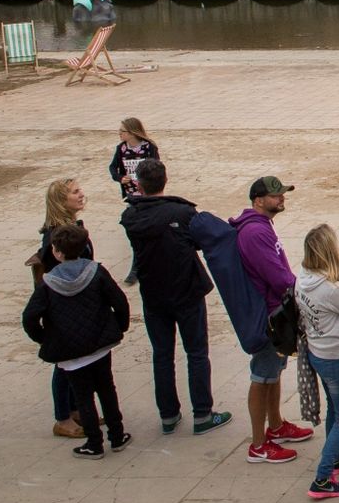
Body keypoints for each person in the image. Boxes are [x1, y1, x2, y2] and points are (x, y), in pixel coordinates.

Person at [119, 160, 230, 437]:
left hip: (154, 294)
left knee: (162, 355)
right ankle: (202, 413)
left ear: (140, 184)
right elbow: (202, 241)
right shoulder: (183, 212)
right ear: (165, 180)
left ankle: (168, 414)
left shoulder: (131, 217)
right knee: (196, 353)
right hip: (186, 291)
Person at [22, 224, 131, 458]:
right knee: (107, 389)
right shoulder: (96, 271)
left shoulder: (48, 283)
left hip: (69, 352)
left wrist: (45, 339)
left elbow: (29, 317)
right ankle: (117, 434)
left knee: (83, 397)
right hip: (100, 345)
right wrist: (117, 327)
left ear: (56, 252)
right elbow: (120, 302)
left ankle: (94, 443)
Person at [232, 176, 310, 463]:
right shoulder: (254, 233)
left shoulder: (261, 226)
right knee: (262, 376)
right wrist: (299, 291)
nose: (281, 199)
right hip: (269, 315)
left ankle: (276, 426)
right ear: (258, 200)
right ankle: (257, 444)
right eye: (276, 195)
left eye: (282, 194)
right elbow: (275, 275)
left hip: (275, 310)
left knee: (274, 371)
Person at [297, 224, 339, 499]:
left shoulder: (301, 278)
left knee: (336, 411)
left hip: (317, 351)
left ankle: (335, 457)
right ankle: (322, 477)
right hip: (335, 355)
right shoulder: (331, 288)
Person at [36, 178, 90, 438]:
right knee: (64, 365)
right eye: (74, 192)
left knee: (75, 361)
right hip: (64, 308)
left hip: (75, 306)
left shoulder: (70, 227)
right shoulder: (57, 236)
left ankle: (75, 408)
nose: (81, 195)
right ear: (61, 200)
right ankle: (63, 418)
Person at [107, 117, 158, 201]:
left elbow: (157, 167)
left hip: (148, 193)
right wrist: (120, 178)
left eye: (122, 131)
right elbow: (112, 167)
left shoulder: (149, 148)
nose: (119, 133)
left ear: (132, 133)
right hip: (131, 194)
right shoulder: (121, 148)